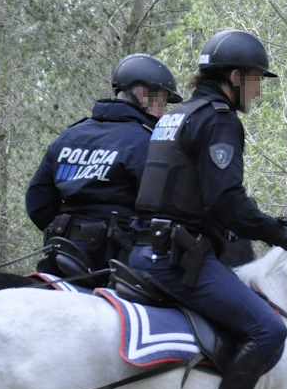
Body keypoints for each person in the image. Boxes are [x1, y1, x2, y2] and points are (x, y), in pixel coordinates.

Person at [131, 29, 287, 389]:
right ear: (233, 77)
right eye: (255, 79)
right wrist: (281, 233)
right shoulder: (219, 121)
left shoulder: (175, 115)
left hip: (142, 251)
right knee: (268, 330)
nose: (258, 89)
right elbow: (226, 202)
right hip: (177, 260)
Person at [26, 53, 183, 282]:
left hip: (62, 255)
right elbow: (165, 208)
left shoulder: (70, 135)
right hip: (118, 264)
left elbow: (37, 202)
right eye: (161, 101)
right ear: (141, 95)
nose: (163, 112)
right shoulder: (147, 142)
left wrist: (69, 229)